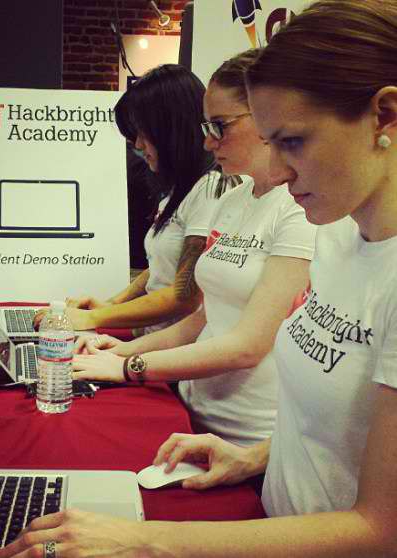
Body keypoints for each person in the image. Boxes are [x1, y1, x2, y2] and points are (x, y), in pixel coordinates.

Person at [0, 1, 397, 557]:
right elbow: (336, 435)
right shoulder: (340, 242)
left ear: (385, 115)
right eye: (271, 142)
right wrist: (258, 457)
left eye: (293, 142)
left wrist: (143, 541)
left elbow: (380, 530)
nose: (278, 171)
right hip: (270, 519)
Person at [71, 49, 316, 448]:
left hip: (247, 435)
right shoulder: (232, 200)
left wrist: (130, 366)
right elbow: (202, 317)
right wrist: (125, 351)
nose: (207, 141)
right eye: (206, 126)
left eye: (220, 126)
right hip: (192, 412)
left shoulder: (297, 210)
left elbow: (248, 346)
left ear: (266, 116)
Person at [35, 64, 238, 335]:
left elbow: (184, 295)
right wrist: (110, 305)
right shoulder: (181, 190)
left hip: (174, 349)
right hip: (152, 341)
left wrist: (95, 317)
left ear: (170, 130)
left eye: (144, 133)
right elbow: (162, 267)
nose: (139, 145)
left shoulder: (211, 188)